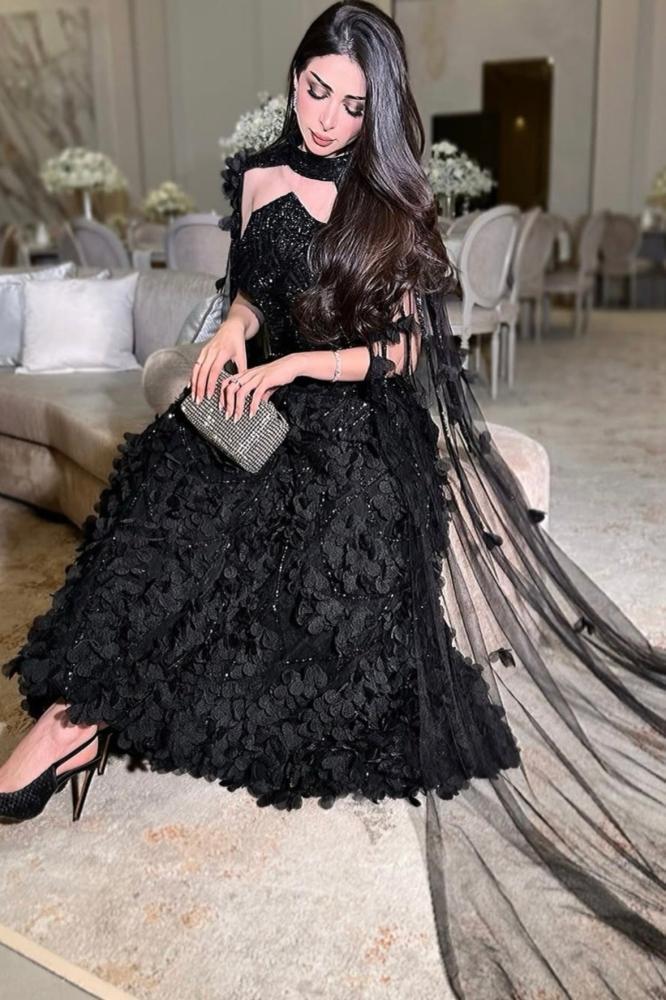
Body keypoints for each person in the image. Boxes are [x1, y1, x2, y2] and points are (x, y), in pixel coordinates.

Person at [2, 2, 665, 995]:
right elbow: (249, 292)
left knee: (275, 518)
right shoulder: (258, 176)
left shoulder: (389, 199)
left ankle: (83, 718)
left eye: (352, 106)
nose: (325, 118)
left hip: (359, 417)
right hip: (266, 393)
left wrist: (291, 366)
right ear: (295, 76)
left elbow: (403, 354)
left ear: (377, 112)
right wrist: (236, 335)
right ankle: (75, 713)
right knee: (169, 479)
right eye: (315, 90)